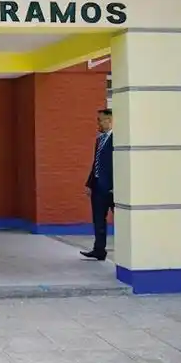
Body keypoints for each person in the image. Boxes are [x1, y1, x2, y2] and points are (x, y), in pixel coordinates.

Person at [81, 108, 114, 261]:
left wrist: (116, 185)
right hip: (98, 187)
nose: (98, 123)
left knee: (123, 221)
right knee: (99, 220)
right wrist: (90, 183)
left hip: (112, 188)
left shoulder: (118, 139)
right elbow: (96, 163)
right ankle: (99, 250)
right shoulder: (100, 140)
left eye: (100, 120)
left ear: (109, 120)